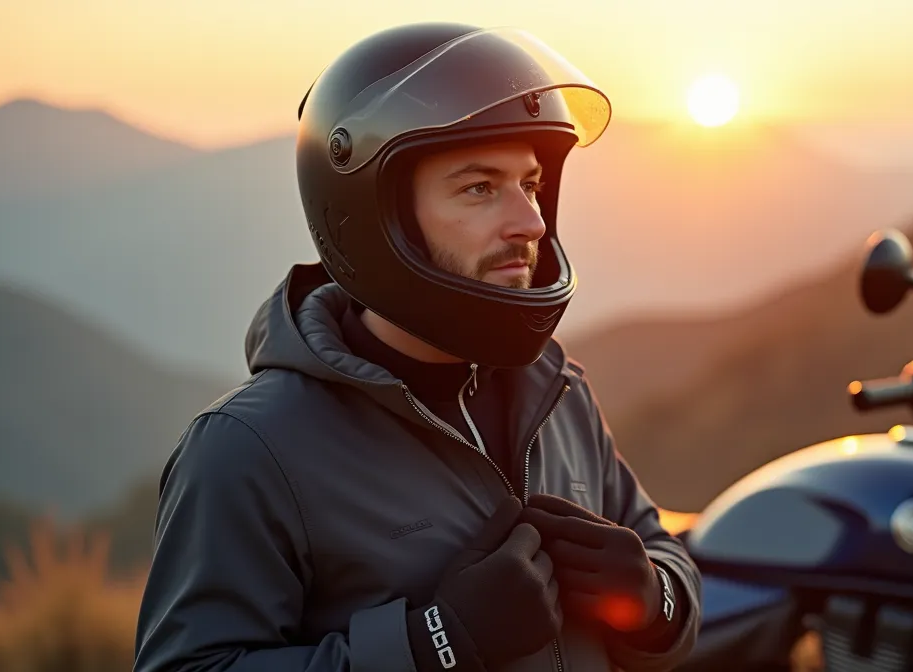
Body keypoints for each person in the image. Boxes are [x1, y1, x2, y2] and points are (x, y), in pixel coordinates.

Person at [132, 22, 701, 672]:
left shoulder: (557, 390)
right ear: (377, 219)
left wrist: (655, 599)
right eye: (479, 188)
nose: (530, 223)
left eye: (532, 184)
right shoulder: (247, 450)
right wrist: (439, 641)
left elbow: (665, 562)